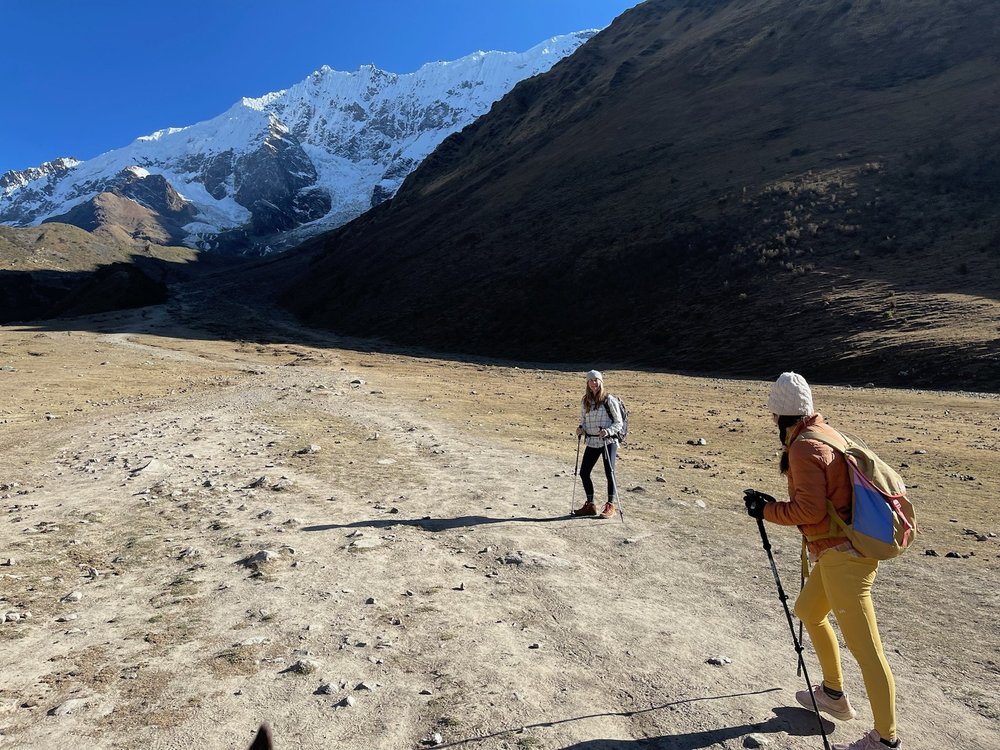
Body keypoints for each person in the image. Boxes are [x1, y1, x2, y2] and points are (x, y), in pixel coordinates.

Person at [744, 372, 901, 750]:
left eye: (772, 414)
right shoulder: (826, 434)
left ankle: (886, 739)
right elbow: (820, 501)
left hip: (844, 558)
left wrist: (766, 511)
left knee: (868, 651)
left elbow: (810, 511)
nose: (771, 420)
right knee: (808, 610)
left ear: (780, 415)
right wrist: (773, 505)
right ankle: (832, 693)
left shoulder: (803, 447)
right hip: (840, 552)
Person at [572, 370, 624, 519]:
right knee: (584, 472)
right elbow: (583, 419)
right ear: (587, 383)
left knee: (609, 472)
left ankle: (610, 505)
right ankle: (590, 505)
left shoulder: (609, 400)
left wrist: (608, 431)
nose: (594, 383)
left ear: (601, 382)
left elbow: (619, 422)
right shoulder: (585, 401)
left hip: (608, 441)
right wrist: (581, 429)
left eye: (596, 380)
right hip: (592, 441)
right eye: (591, 380)